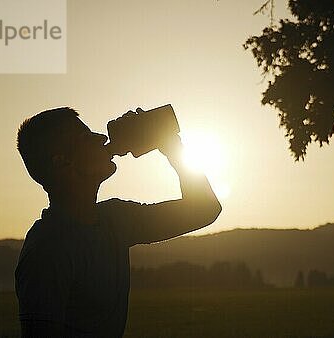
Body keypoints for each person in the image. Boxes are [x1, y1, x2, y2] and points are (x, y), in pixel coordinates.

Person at [14, 107, 222, 337]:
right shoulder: (46, 249)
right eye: (86, 137)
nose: (102, 138)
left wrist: (171, 145)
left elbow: (205, 209)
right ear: (62, 163)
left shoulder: (116, 219)